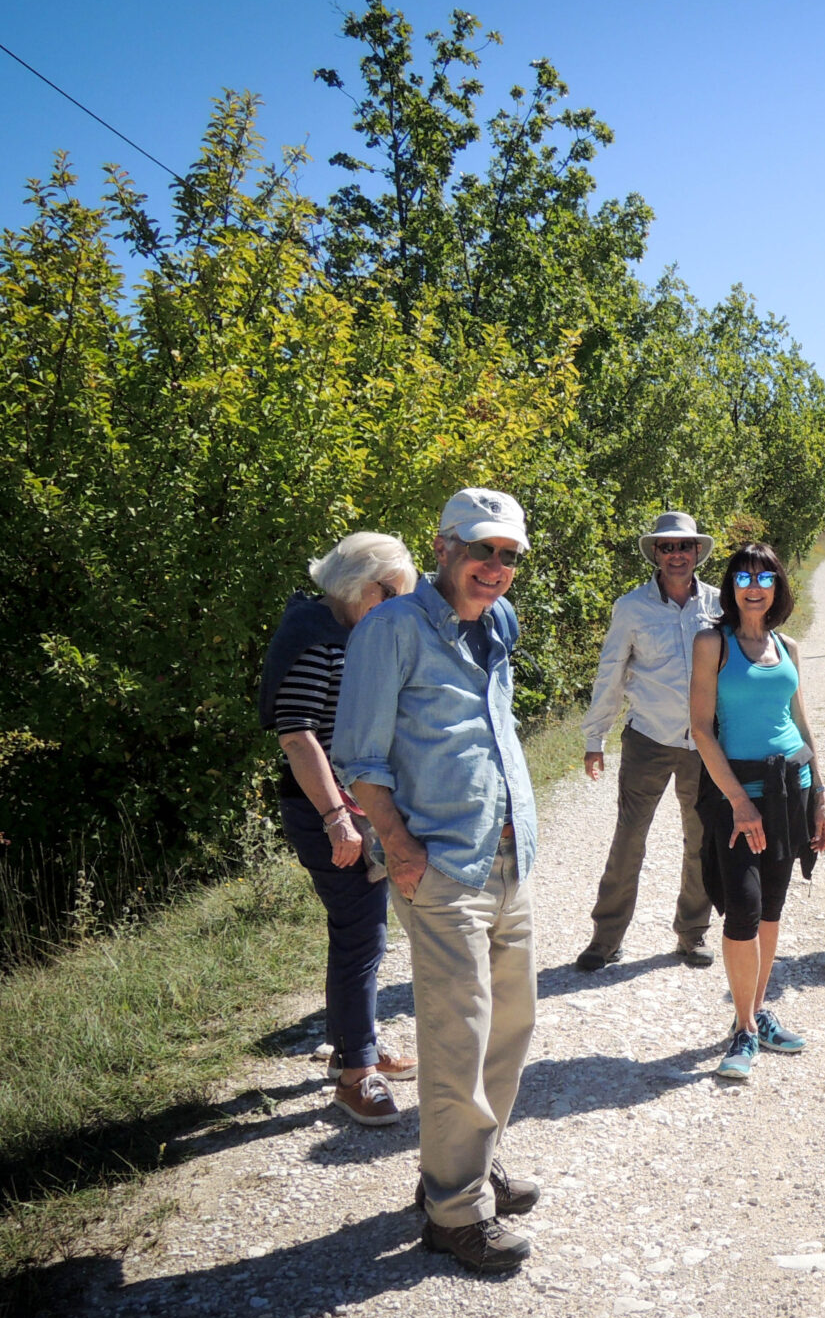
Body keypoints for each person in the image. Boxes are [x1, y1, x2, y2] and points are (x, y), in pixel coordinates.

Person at [332, 488, 542, 1272]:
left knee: (509, 1028)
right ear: (444, 546)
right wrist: (398, 846)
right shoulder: (389, 630)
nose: (496, 567)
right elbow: (359, 756)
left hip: (510, 855)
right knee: (457, 1039)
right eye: (484, 549)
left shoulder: (497, 623)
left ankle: (471, 1170)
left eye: (510, 555)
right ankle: (455, 1213)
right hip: (442, 864)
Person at [259, 533, 420, 1126]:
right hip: (327, 809)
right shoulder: (310, 633)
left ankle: (357, 1047)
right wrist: (336, 819)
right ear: (365, 587)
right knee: (361, 933)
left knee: (358, 930)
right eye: (392, 593)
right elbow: (297, 735)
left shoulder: (346, 630)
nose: (396, 604)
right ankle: (356, 1076)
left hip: (356, 804)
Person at [687, 542, 825, 1082]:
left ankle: (756, 1012)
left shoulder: (788, 646)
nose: (754, 585)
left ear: (777, 587)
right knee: (743, 912)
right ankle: (744, 1029)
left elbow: (801, 721)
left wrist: (819, 796)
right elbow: (701, 729)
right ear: (731, 587)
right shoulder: (712, 644)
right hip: (736, 794)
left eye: (765, 577)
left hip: (790, 788)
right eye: (744, 576)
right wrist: (740, 801)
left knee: (771, 909)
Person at [575, 512, 725, 972]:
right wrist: (594, 736)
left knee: (701, 839)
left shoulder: (721, 605)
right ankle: (606, 939)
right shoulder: (632, 607)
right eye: (666, 547)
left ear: (697, 552)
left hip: (706, 745)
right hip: (649, 739)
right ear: (655, 554)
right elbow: (611, 670)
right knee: (628, 840)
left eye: (684, 546)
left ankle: (692, 934)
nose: (676, 555)